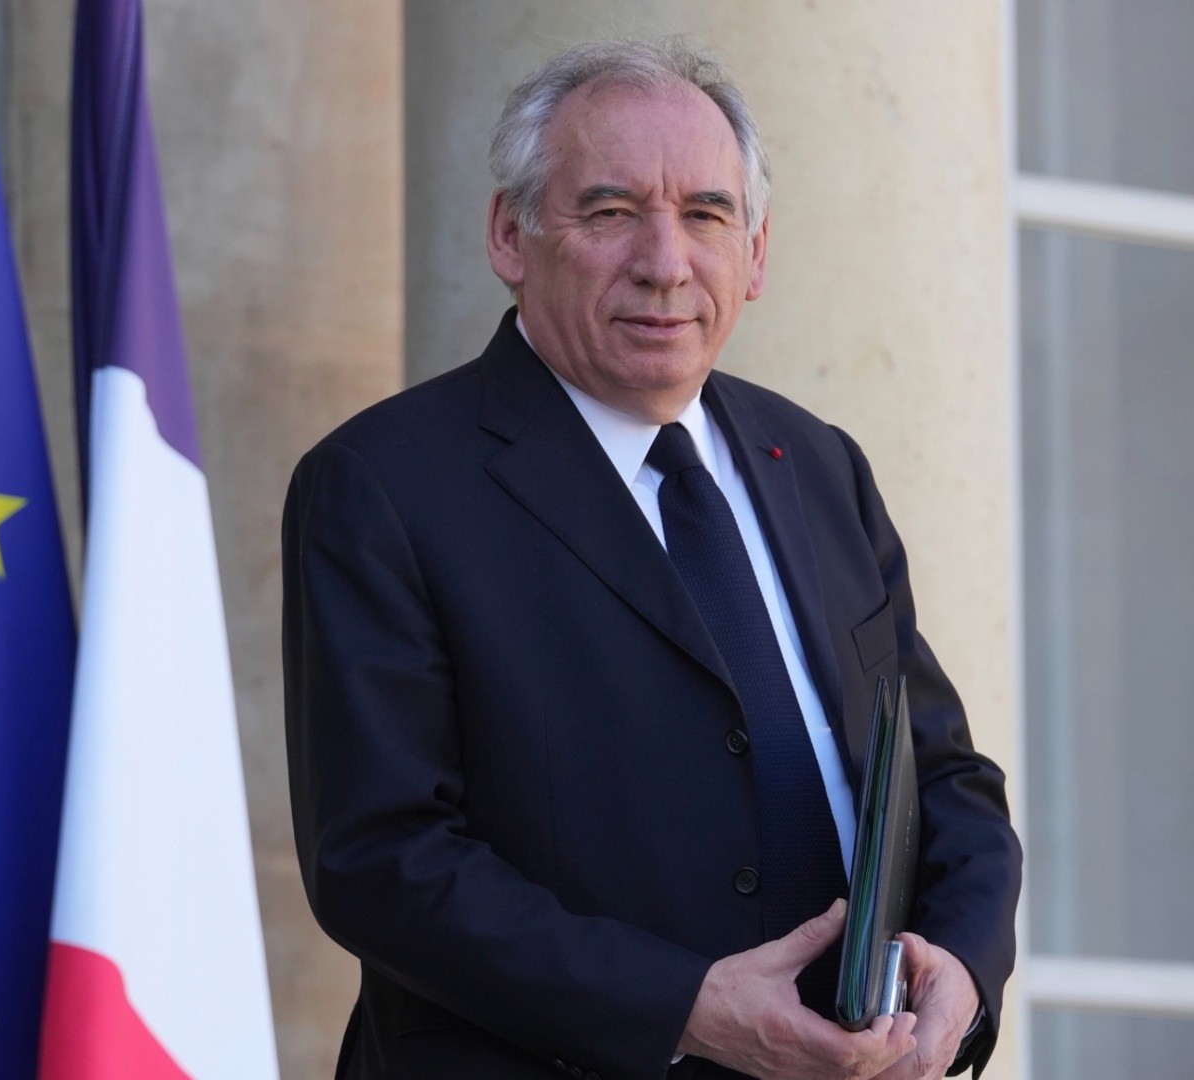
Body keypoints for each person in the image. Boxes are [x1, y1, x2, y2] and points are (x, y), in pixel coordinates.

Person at [282, 37, 1020, 1080]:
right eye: (611, 211)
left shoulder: (820, 467)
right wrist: (684, 1009)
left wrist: (965, 967)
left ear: (755, 255)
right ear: (510, 235)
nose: (665, 262)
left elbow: (943, 777)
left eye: (707, 215)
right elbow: (381, 860)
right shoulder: (383, 485)